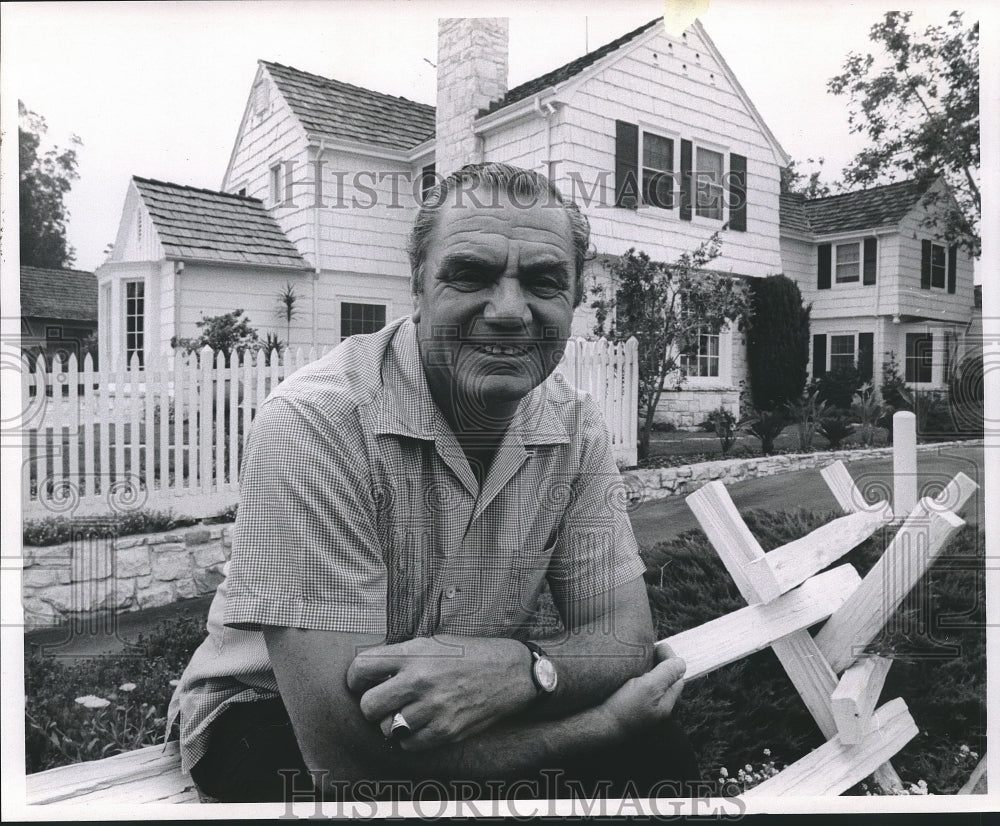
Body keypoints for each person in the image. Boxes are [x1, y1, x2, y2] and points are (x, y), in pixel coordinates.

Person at [167, 162, 698, 804]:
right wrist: (600, 724)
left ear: (575, 301)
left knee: (659, 753)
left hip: (472, 690)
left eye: (543, 281)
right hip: (271, 709)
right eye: (471, 274)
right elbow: (345, 765)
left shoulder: (577, 428)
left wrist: (527, 671)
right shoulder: (318, 420)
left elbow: (623, 636)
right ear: (417, 287)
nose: (509, 311)